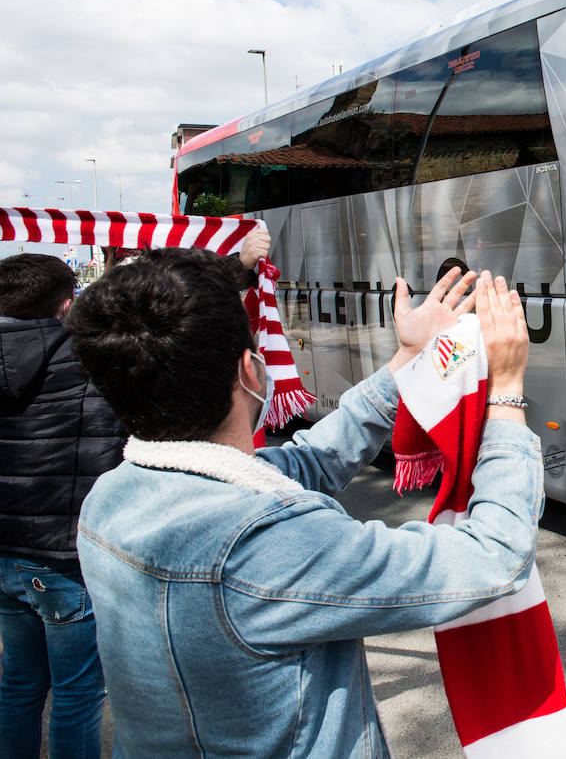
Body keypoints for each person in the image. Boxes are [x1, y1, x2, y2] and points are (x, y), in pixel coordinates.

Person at [66, 249, 540, 757]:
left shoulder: (109, 498)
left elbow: (311, 458)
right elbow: (493, 556)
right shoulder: (268, 545)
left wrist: (408, 359)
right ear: (250, 371)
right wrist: (507, 391)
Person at [0, 253, 127, 758]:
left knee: (19, 683)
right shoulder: (89, 359)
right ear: (66, 303)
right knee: (76, 693)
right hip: (65, 557)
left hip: (4, 553)